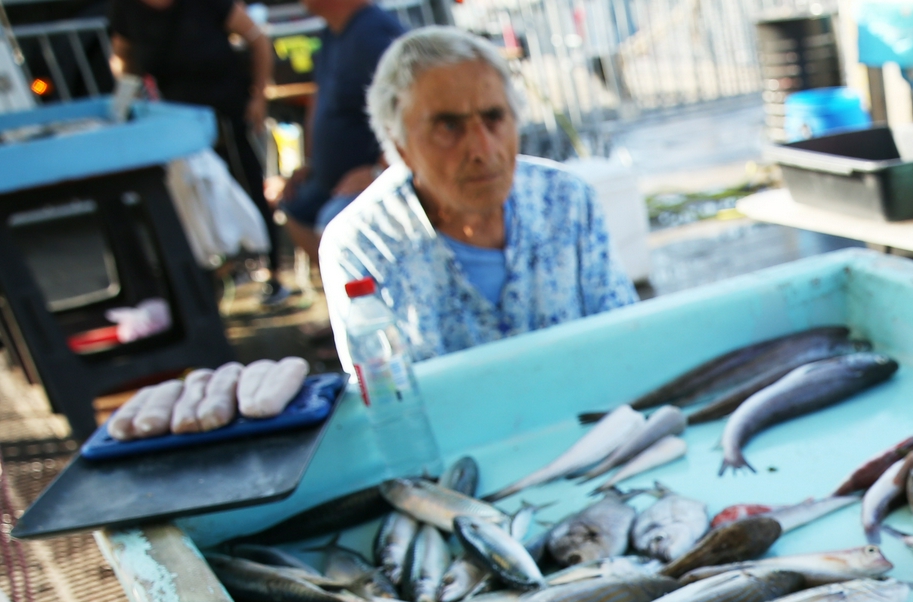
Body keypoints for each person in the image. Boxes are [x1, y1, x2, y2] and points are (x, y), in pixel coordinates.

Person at [320, 27, 637, 368]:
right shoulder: (363, 245)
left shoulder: (567, 202)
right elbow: (384, 398)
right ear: (400, 145)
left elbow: (627, 344)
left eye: (494, 118)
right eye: (448, 127)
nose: (483, 150)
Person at [108, 0, 293, 299]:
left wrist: (259, 96)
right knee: (194, 198)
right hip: (176, 124)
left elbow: (257, 40)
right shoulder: (126, 9)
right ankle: (217, 274)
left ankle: (273, 271)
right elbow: (122, 59)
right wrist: (130, 97)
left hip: (227, 112)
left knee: (246, 185)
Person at [279, 0, 408, 257]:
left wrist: (378, 170)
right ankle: (342, 293)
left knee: (333, 223)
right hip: (332, 182)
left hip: (387, 182)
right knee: (296, 208)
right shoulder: (333, 31)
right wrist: (310, 162)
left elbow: (414, 108)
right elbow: (320, 100)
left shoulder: (371, 34)